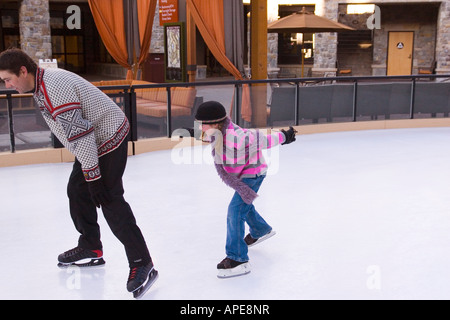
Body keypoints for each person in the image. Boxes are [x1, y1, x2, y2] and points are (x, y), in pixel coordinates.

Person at [0, 48, 157, 297]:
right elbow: (79, 135)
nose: (7, 85)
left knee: (108, 198)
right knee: (77, 190)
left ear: (23, 71)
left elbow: (82, 135)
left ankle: (142, 263)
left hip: (108, 137)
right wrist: (87, 176)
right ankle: (91, 246)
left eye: (8, 79)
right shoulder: (40, 83)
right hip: (92, 141)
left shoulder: (53, 88)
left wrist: (94, 178)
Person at [189, 101, 297, 278]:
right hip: (241, 174)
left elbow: (264, 140)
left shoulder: (237, 137)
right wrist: (191, 132)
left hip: (253, 174)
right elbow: (208, 136)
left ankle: (238, 258)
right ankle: (260, 230)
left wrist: (285, 137)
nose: (200, 127)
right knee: (242, 206)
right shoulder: (217, 132)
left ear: (216, 123)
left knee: (235, 211)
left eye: (203, 124)